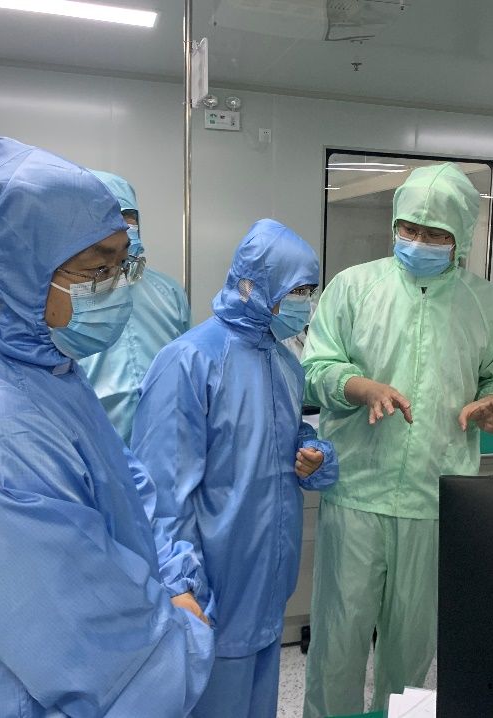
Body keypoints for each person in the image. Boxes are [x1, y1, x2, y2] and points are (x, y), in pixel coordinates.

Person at [0, 137, 214, 717]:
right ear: (12, 277)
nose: (118, 288)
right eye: (97, 271)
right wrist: (181, 637)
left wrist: (172, 575)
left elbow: (124, 483)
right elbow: (86, 644)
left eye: (123, 266)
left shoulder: (48, 369)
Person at [301, 162, 493, 717]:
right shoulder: (354, 288)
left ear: (462, 238)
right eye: (408, 228)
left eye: (435, 234)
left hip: (434, 497)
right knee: (337, 643)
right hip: (357, 493)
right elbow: (315, 367)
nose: (418, 242)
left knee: (412, 651)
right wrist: (358, 387)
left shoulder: (485, 304)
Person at [130, 218, 338, 718]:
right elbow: (160, 492)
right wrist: (182, 585)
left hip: (267, 584)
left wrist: (313, 455)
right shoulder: (189, 361)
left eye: (309, 291)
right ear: (254, 286)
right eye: (295, 291)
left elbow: (285, 437)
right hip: (211, 594)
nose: (304, 302)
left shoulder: (285, 363)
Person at [78, 170, 191, 444]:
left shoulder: (169, 292)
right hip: (95, 441)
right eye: (109, 216)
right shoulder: (70, 293)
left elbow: (188, 367)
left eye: (129, 216)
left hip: (164, 441)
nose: (122, 225)